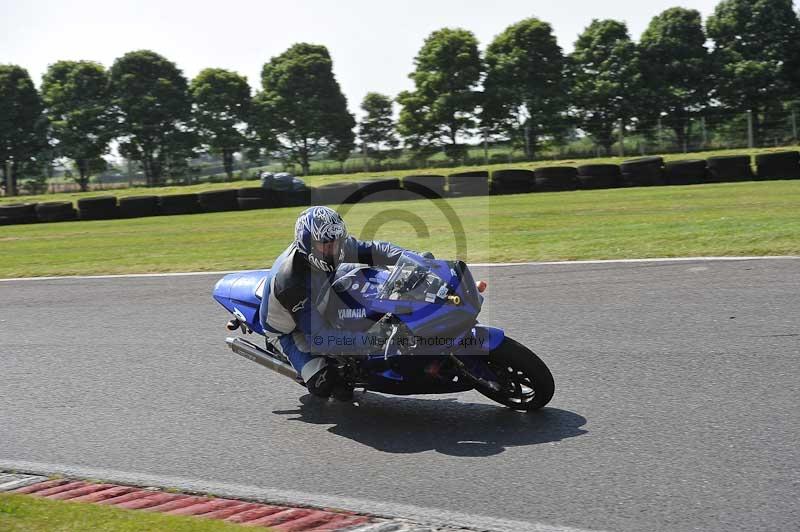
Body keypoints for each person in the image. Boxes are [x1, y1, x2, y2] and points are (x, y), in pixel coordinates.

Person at [259, 206, 410, 401]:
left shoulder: (331, 247)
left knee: (372, 280)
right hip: (289, 329)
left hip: (320, 290)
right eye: (326, 245)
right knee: (325, 383)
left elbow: (376, 249)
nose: (333, 250)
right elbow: (320, 338)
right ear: (308, 244)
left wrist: (414, 258)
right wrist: (375, 341)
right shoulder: (290, 283)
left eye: (337, 242)